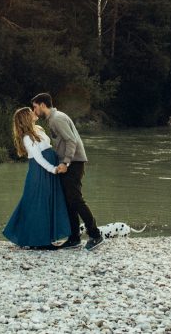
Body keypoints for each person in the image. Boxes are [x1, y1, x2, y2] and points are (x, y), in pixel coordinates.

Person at [31, 92, 103, 251]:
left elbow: (72, 141)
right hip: (70, 163)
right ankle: (74, 238)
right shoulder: (52, 119)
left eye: (35, 107)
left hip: (74, 163)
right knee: (69, 201)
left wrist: (66, 162)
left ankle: (96, 234)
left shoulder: (57, 119)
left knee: (76, 199)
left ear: (43, 105)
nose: (34, 111)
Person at [2, 107, 72, 248]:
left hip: (48, 170)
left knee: (46, 201)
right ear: (26, 118)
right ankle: (39, 241)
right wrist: (52, 169)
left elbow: (49, 146)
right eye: (31, 112)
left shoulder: (38, 129)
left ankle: (43, 238)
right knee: (39, 203)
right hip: (40, 172)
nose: (35, 112)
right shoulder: (27, 137)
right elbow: (38, 158)